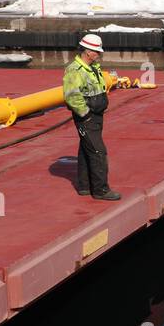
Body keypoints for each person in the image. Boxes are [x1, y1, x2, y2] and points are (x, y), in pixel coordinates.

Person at [63, 33, 121, 201]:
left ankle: (84, 186)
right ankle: (100, 189)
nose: (99, 54)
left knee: (86, 149)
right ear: (88, 52)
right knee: (98, 151)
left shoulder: (93, 67)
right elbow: (72, 96)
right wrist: (85, 114)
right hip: (87, 117)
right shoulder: (75, 70)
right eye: (97, 51)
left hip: (96, 115)